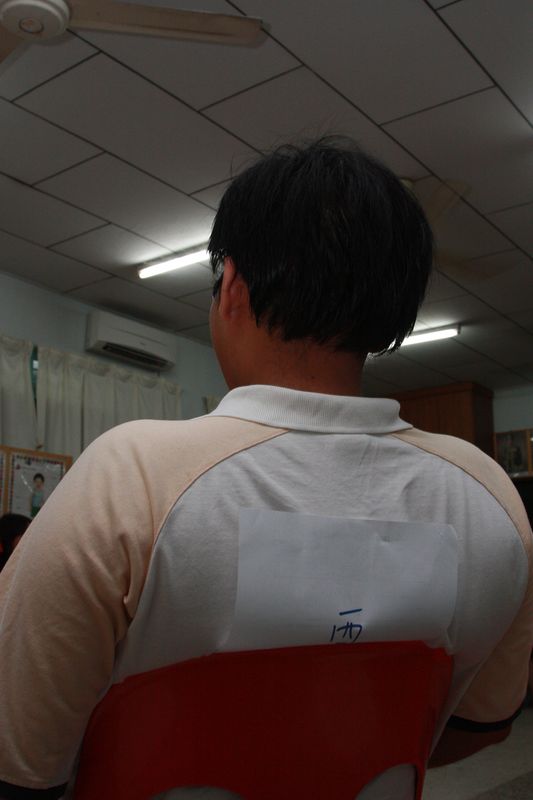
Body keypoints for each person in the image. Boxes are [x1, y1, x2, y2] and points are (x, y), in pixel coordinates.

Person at [0, 138, 531, 800]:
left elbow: (20, 761)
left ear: (232, 286)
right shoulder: (489, 499)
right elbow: (481, 726)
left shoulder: (131, 475)